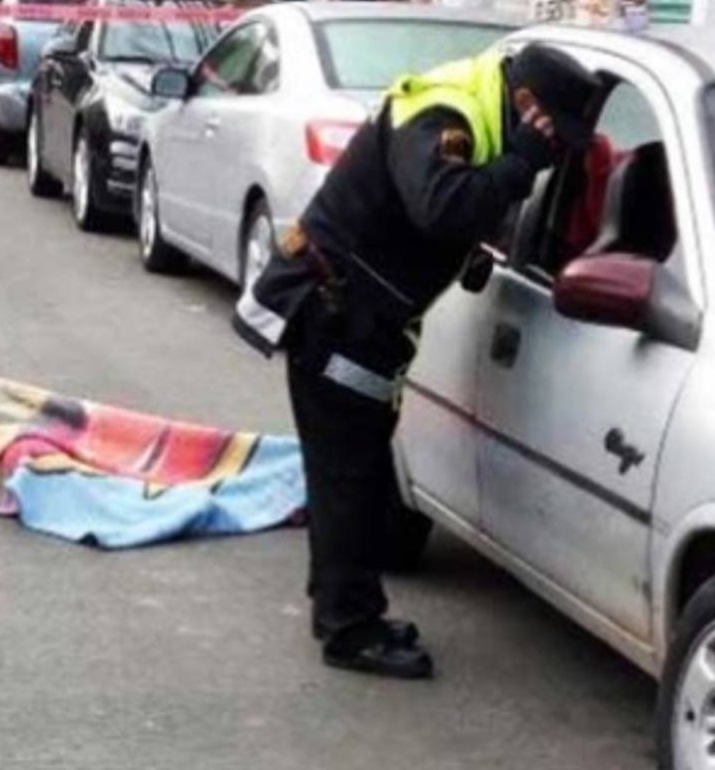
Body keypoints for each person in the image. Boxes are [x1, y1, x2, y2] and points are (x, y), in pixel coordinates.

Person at [232, 44, 602, 679]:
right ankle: (350, 629)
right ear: (527, 107)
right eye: (554, 139)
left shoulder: (483, 109)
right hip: (332, 312)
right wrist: (519, 166)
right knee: (351, 473)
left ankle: (343, 605)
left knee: (357, 467)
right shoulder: (442, 114)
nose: (555, 156)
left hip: (362, 319)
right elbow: (442, 206)